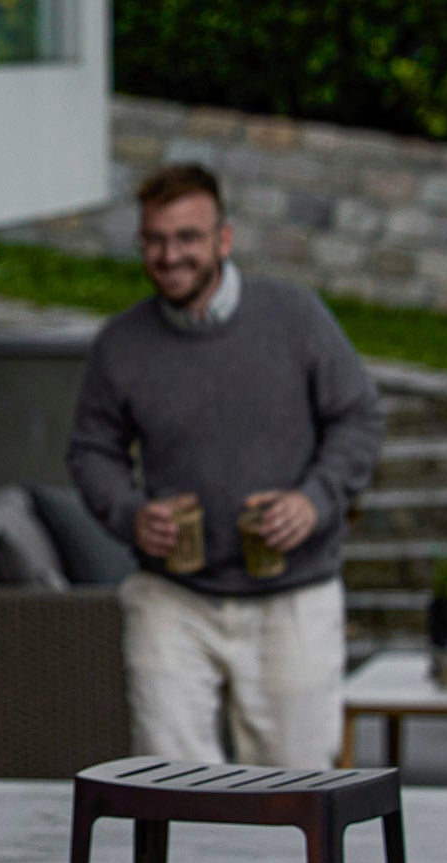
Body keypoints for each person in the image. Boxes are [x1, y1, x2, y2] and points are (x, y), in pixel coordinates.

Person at [66, 163, 384, 768]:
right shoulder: (121, 345)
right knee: (167, 775)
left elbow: (359, 417)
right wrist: (131, 514)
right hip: (173, 594)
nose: (170, 255)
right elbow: (91, 449)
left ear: (223, 240)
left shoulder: (296, 318)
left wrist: (315, 499)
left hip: (294, 590)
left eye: (187, 238)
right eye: (155, 240)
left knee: (297, 781)